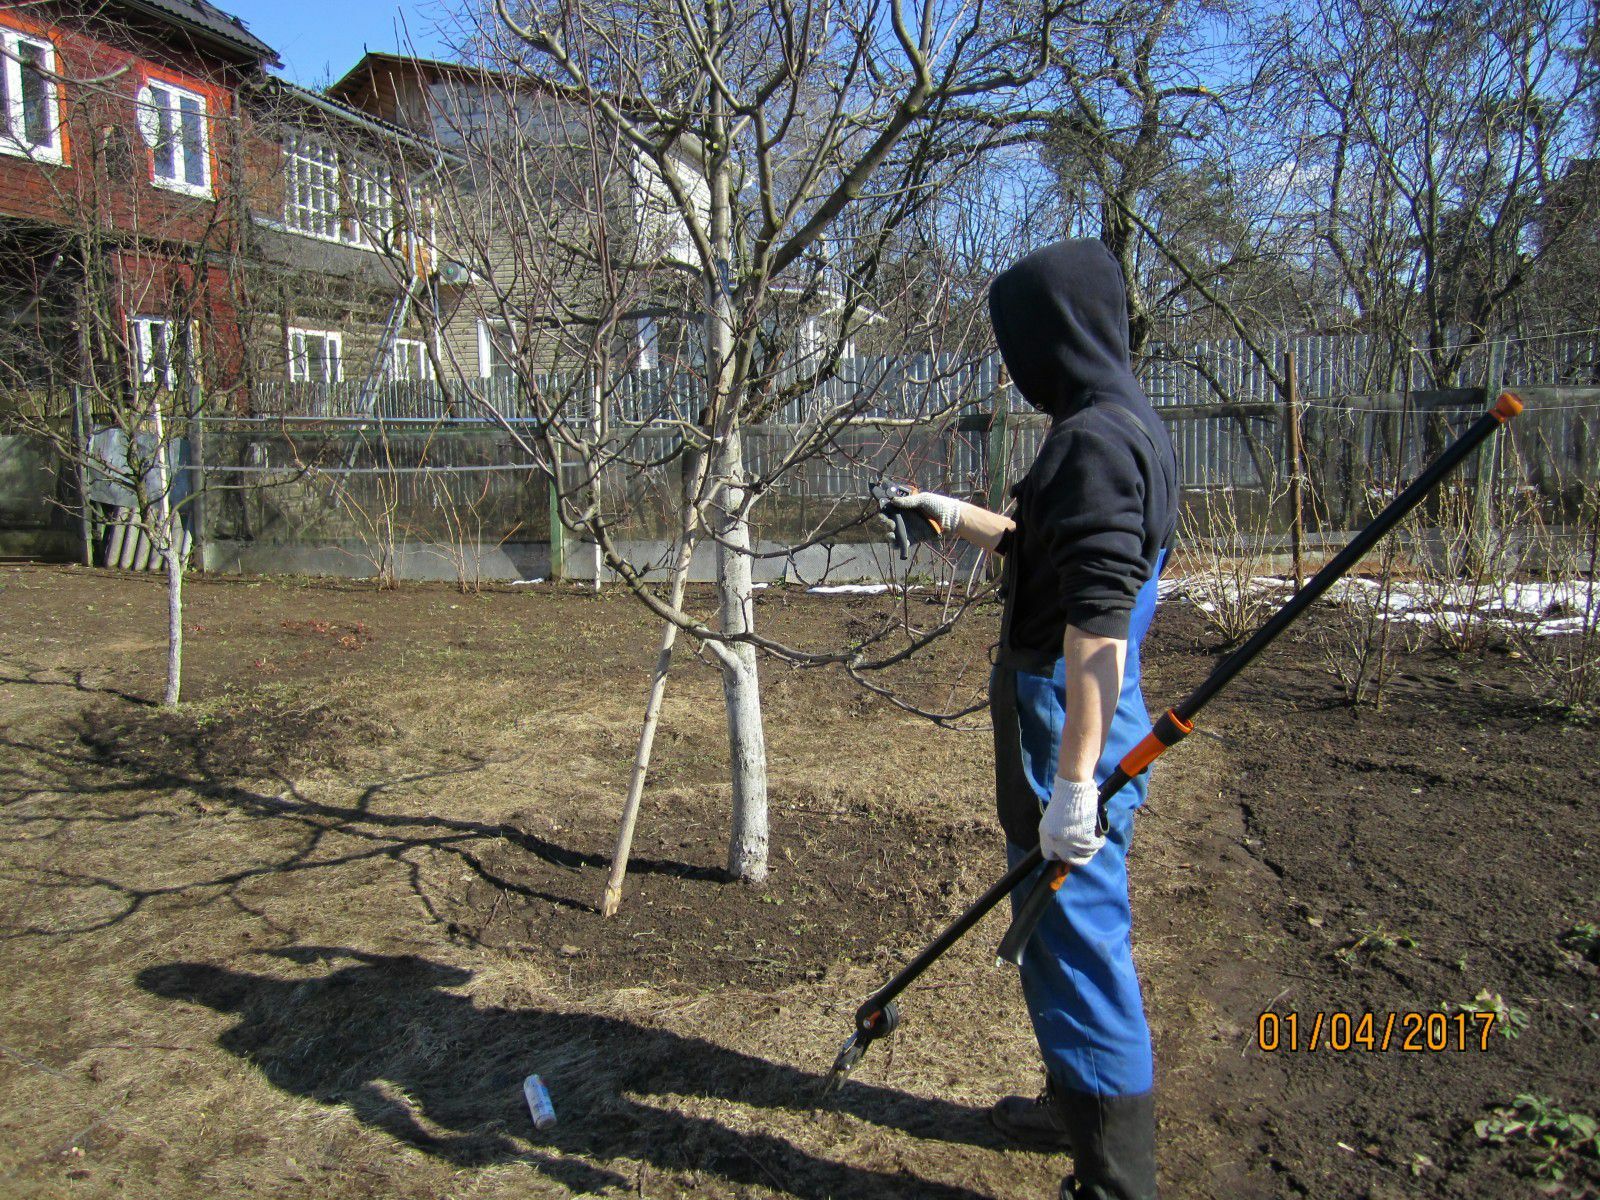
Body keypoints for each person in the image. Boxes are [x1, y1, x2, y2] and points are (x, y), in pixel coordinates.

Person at [886, 238, 1177, 1200]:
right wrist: (952, 514)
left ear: (1055, 335)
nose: (1017, 370)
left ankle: (1112, 1182)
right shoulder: (1117, 421)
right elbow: (1050, 548)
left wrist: (1075, 784)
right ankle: (1073, 1097)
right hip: (1074, 716)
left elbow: (1098, 625)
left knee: (1079, 941)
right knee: (1061, 935)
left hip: (1071, 720)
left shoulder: (1091, 442)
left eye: (1021, 344)